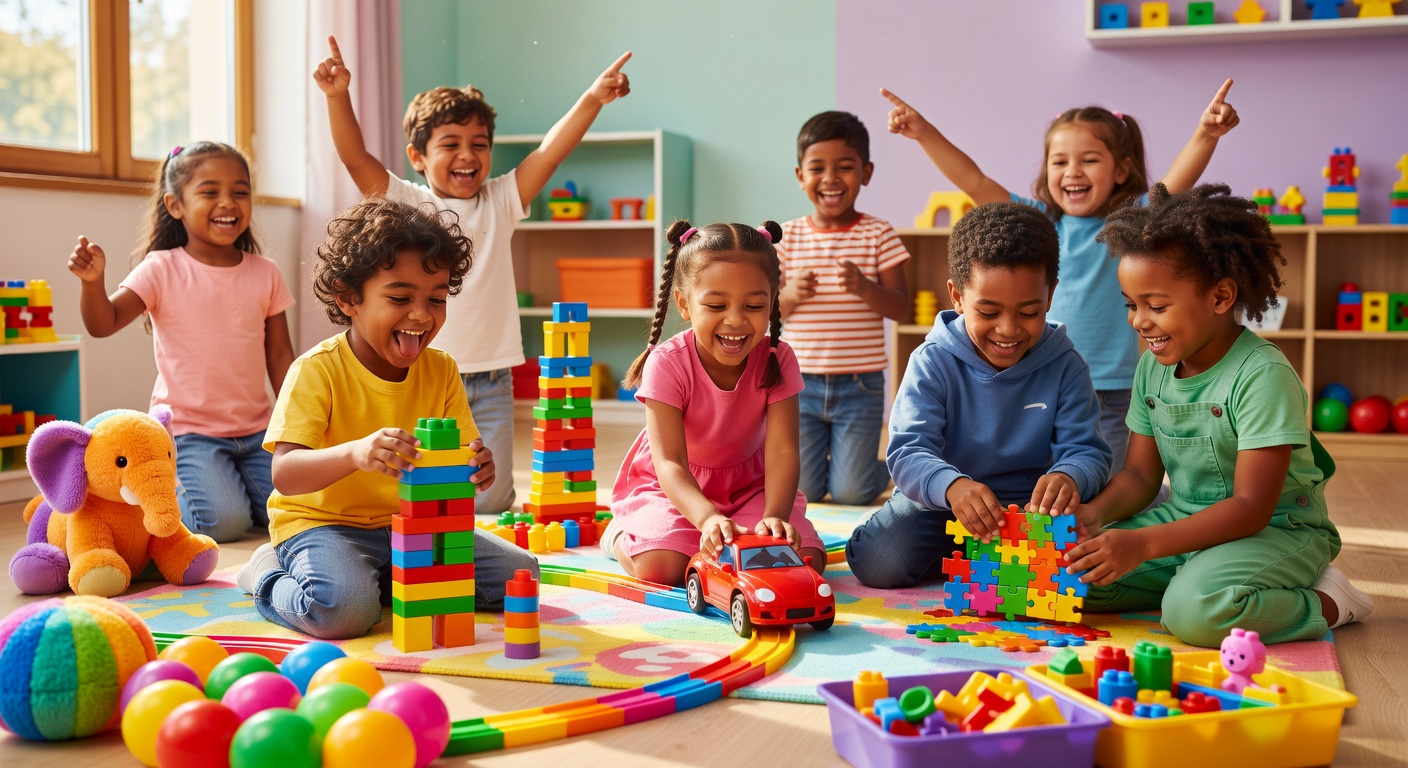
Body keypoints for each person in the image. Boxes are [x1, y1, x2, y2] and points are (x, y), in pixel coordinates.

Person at [313, 36, 631, 516]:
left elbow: (551, 152)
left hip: (491, 380)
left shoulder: (502, 200)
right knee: (423, 491)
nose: (468, 154)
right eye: (451, 144)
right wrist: (338, 96)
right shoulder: (407, 200)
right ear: (418, 157)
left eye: (479, 144)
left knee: (491, 498)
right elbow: (356, 158)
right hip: (423, 375)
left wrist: (592, 99)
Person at [1064, 183, 1373, 647]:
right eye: (1131, 305)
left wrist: (1144, 546)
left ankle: (1328, 600)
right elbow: (1139, 476)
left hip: (1278, 530)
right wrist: (1094, 515)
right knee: (1069, 581)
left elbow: (1251, 509)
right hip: (1186, 521)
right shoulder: (1152, 366)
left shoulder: (1263, 374)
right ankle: (1200, 577)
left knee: (1194, 613)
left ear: (1221, 297)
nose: (1138, 321)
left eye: (1157, 306)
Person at [882, 81, 1239, 476]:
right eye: (1059, 162)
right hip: (1043, 381)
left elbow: (1175, 183)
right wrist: (924, 133)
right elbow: (975, 181)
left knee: (1103, 487)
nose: (1072, 172)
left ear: (1121, 170)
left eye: (1088, 160)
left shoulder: (1129, 223)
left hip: (1111, 390)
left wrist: (1206, 134)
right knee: (1046, 486)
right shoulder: (1039, 223)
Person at [234, 198, 538, 640]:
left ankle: (384, 580)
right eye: (399, 297)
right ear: (348, 297)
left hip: (412, 528)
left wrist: (477, 468)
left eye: (436, 298)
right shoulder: (317, 370)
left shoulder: (442, 370)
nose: (421, 314)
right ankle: (266, 574)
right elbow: (285, 474)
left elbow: (460, 461)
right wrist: (355, 454)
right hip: (322, 525)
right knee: (344, 613)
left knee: (521, 576)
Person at [845, 203, 1112, 589]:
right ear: (956, 296)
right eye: (988, 312)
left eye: (1027, 313)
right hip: (944, 505)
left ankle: (986, 559)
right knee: (879, 562)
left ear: (1050, 297)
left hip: (1030, 513)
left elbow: (1088, 451)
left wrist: (1069, 477)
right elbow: (906, 452)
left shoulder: (1066, 365)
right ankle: (977, 558)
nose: (1008, 330)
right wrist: (952, 486)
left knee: (1098, 559)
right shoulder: (932, 361)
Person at [68, 141, 295, 543]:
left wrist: (294, 425)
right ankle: (154, 489)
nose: (228, 202)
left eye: (240, 192)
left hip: (257, 431)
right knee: (221, 524)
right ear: (175, 205)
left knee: (296, 506)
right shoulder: (161, 268)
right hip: (190, 434)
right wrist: (92, 285)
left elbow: (279, 354)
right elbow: (104, 323)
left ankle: (232, 485)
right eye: (210, 192)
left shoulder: (266, 272)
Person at [603, 221, 826, 587]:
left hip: (750, 486)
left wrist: (774, 515)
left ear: (772, 301)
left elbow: (784, 451)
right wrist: (706, 518)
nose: (736, 320)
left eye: (754, 305)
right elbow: (669, 462)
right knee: (662, 567)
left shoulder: (778, 358)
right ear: (684, 304)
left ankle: (727, 536)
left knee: (800, 560)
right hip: (674, 487)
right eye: (716, 305)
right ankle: (619, 536)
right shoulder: (667, 362)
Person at [777, 111, 910, 506]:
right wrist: (788, 297)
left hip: (860, 385)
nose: (831, 179)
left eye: (845, 167)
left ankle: (889, 466)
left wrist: (866, 288)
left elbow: (901, 307)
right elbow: (763, 311)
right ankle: (841, 464)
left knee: (852, 493)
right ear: (800, 175)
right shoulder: (785, 238)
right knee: (805, 491)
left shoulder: (878, 233)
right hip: (798, 384)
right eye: (817, 168)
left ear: (865, 173)